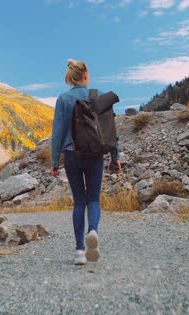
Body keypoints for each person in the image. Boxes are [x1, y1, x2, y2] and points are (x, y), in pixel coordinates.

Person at [51, 59, 120, 265]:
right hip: (95, 154)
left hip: (72, 154)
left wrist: (55, 160)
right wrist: (115, 156)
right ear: (86, 76)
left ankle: (80, 251)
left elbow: (57, 133)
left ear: (70, 78)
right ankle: (93, 231)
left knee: (79, 201)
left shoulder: (63, 99)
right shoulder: (97, 97)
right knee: (93, 199)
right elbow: (110, 129)